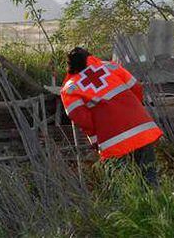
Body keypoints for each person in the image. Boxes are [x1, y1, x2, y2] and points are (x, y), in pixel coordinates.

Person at [60, 47, 163, 187]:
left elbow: (81, 118)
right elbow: (136, 87)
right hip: (140, 129)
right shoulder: (111, 66)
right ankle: (156, 205)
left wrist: (96, 138)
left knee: (122, 184)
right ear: (90, 56)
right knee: (149, 176)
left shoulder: (70, 88)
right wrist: (133, 109)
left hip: (112, 139)